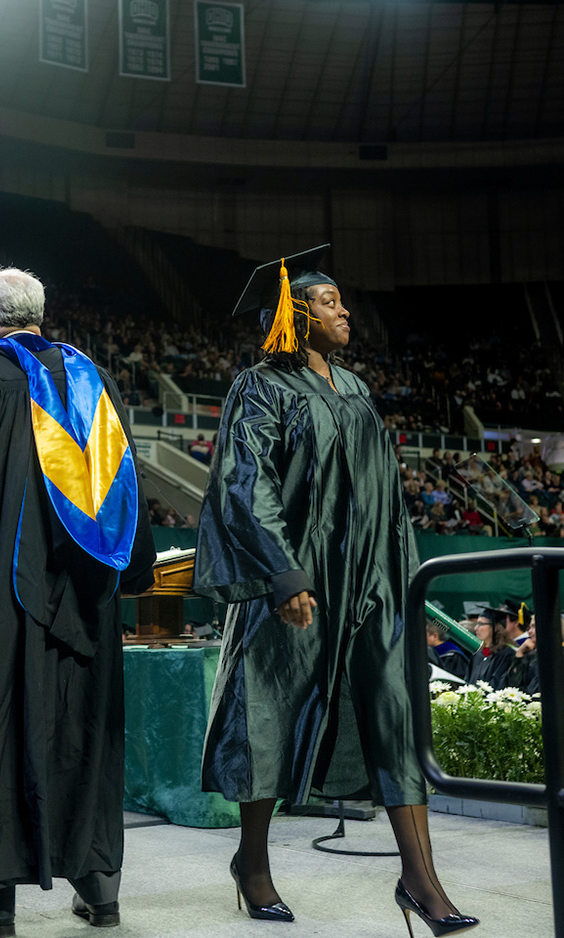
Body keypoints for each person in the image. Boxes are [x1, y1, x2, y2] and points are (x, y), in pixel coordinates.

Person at [192, 247, 478, 936]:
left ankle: (420, 879)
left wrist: (404, 577)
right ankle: (253, 864)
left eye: (342, 300)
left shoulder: (356, 390)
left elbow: (385, 499)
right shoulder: (260, 386)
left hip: (369, 583)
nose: (344, 309)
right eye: (329, 301)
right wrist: (282, 574)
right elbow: (244, 482)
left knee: (393, 714)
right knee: (267, 713)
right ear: (295, 314)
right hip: (291, 580)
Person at [0, 269, 156, 937]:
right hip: (84, 603)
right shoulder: (93, 384)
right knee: (77, 735)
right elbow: (127, 490)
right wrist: (133, 574)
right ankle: (100, 892)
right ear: (39, 315)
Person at [506, 615, 564, 701]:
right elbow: (513, 685)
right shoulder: (532, 655)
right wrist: (519, 654)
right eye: (529, 627)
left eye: (534, 627)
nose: (529, 632)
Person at [467, 609, 515, 689]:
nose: (475, 628)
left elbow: (499, 686)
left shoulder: (506, 655)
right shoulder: (477, 655)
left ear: (495, 627)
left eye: (481, 624)